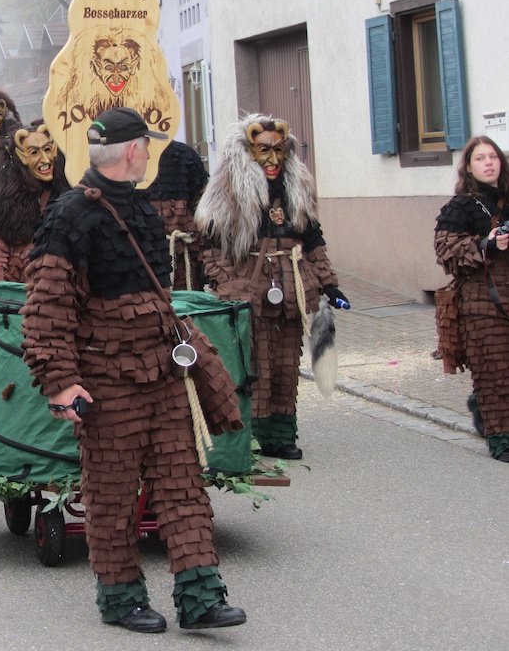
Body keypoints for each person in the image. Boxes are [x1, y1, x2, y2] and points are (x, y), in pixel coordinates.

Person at [20, 107, 246, 633]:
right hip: (108, 385)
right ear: (131, 151)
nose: (150, 153)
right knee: (112, 496)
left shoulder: (141, 207)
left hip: (163, 374)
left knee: (183, 487)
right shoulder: (70, 214)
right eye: (146, 145)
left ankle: (200, 598)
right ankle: (121, 600)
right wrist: (62, 383)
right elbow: (47, 308)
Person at [195, 115, 347, 460]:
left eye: (279, 150)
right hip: (250, 293)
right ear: (248, 152)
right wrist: (232, 285)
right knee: (254, 366)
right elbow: (211, 248)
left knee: (285, 366)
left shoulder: (296, 195)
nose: (273, 158)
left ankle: (280, 436)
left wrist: (329, 284)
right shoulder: (229, 197)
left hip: (291, 290)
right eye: (264, 150)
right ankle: (250, 436)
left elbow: (313, 242)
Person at [434, 135, 509, 462]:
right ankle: (501, 439)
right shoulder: (461, 205)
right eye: (480, 158)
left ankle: (481, 405)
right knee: (494, 370)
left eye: (493, 157)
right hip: (480, 301)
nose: (488, 163)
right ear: (468, 166)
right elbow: (445, 251)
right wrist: (485, 244)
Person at [0, 123, 68, 283]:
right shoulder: (0, 199)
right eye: (34, 152)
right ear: (20, 157)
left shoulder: (66, 190)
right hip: (19, 290)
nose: (45, 159)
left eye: (47, 149)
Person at [142, 140, 209, 291]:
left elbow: (201, 209)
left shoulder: (184, 155)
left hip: (181, 253)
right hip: (142, 256)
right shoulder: (121, 157)